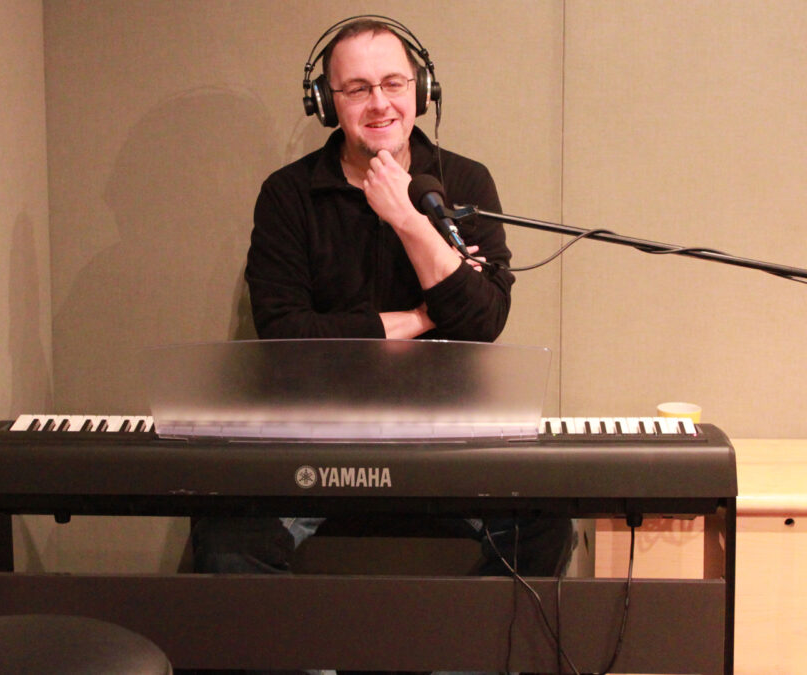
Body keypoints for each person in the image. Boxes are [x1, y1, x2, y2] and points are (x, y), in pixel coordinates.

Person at [193, 16, 572, 583]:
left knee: (546, 524)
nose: (380, 104)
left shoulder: (465, 182)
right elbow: (285, 335)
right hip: (318, 432)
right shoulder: (287, 195)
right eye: (357, 89)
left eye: (394, 83)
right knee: (223, 537)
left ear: (421, 91)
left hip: (448, 429)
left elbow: (483, 322)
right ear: (327, 102)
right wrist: (423, 316)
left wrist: (407, 220)